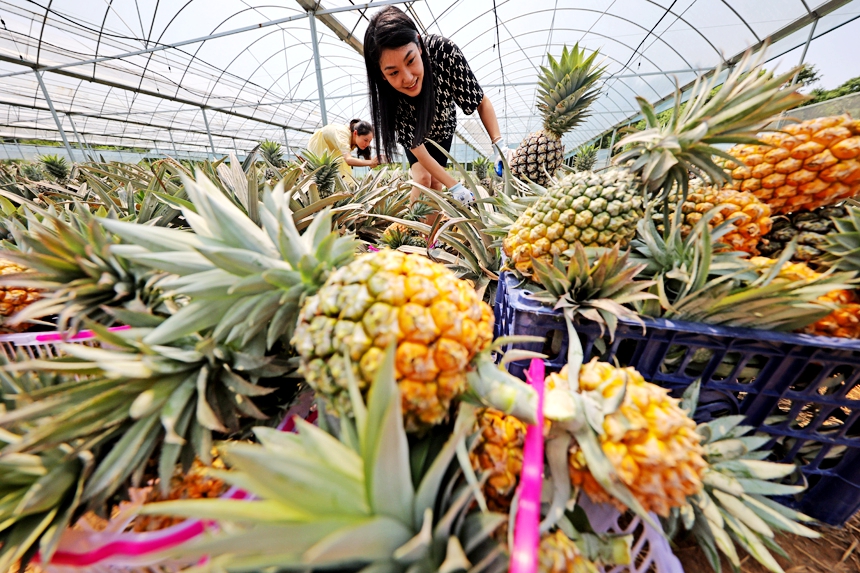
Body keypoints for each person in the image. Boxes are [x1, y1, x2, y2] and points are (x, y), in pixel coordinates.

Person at [364, 6, 510, 204]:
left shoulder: (444, 52)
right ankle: (413, 230)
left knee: (436, 184)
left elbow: (480, 101)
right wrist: (456, 187)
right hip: (417, 136)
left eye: (411, 60)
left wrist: (499, 145)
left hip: (443, 128)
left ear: (419, 44)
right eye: (393, 73)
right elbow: (418, 149)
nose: (408, 78)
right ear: (382, 74)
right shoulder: (389, 99)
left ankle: (431, 235)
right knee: (423, 178)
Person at [306, 119, 380, 181]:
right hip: (320, 144)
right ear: (355, 133)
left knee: (343, 176)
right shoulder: (343, 134)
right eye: (365, 140)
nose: (367, 144)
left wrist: (377, 161)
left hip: (335, 150)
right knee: (323, 175)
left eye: (369, 141)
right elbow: (348, 160)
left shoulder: (359, 141)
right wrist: (371, 162)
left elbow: (371, 165)